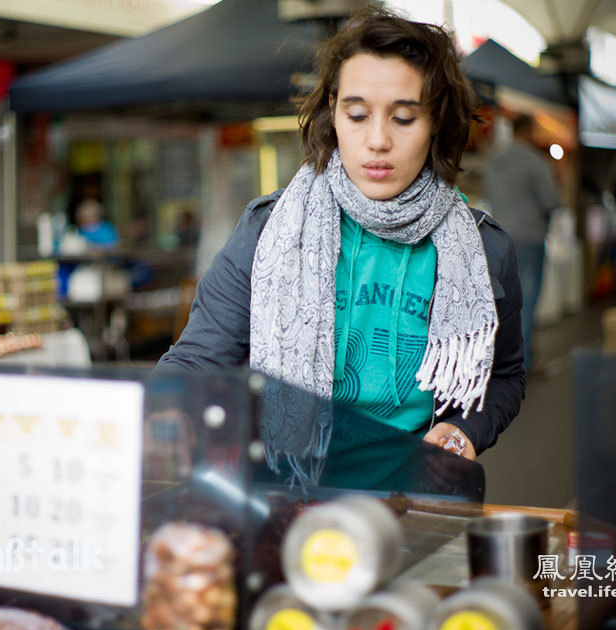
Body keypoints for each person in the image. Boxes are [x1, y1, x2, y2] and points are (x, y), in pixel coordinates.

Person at [158, 9, 525, 481]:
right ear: (332, 111)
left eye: (404, 118)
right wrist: (160, 409)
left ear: (435, 121)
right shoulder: (267, 231)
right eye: (356, 114)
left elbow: (506, 377)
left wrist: (463, 430)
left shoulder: (484, 251)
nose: (377, 140)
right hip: (285, 491)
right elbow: (197, 357)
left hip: (419, 495)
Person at [483, 114, 562, 370]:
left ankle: (500, 359)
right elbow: (551, 201)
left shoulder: (495, 161)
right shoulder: (535, 161)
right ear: (528, 132)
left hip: (499, 238)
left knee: (503, 301)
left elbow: (489, 196)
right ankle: (522, 361)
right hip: (530, 237)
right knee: (526, 300)